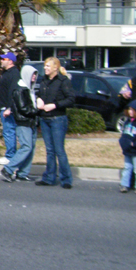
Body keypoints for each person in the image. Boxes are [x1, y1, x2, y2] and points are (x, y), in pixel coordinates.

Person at [35, 57, 75, 189]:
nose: (45, 68)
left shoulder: (63, 81)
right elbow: (39, 93)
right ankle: (49, 178)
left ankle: (66, 179)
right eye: (45, 66)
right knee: (50, 150)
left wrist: (55, 105)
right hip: (45, 118)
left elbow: (71, 99)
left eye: (48, 66)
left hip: (58, 118)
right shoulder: (44, 80)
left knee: (59, 150)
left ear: (55, 68)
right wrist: (39, 99)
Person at [0, 65, 38, 183]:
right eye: (32, 74)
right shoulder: (20, 90)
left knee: (31, 148)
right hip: (23, 122)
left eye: (36, 74)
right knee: (26, 147)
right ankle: (8, 169)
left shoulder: (29, 89)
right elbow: (24, 109)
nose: (35, 77)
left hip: (31, 122)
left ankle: (23, 173)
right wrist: (39, 110)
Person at [0, 52, 21, 165]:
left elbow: (13, 92)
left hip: (8, 109)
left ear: (11, 61)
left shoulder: (14, 73)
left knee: (9, 132)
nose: (2, 61)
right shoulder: (6, 73)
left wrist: (9, 108)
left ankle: (10, 156)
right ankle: (10, 155)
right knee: (7, 131)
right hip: (3, 107)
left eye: (4, 59)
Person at [118, 100, 136, 194]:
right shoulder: (127, 122)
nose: (130, 112)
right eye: (129, 109)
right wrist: (122, 142)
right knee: (127, 167)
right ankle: (124, 185)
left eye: (133, 110)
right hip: (127, 150)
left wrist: (135, 144)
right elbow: (124, 135)